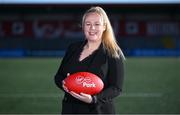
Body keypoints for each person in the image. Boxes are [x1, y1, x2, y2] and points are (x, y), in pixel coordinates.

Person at [54, 6, 125, 114]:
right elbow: (59, 76)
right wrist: (64, 83)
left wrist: (93, 99)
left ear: (104, 27)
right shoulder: (73, 48)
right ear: (83, 26)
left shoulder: (113, 52)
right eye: (88, 24)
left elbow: (116, 88)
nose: (92, 28)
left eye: (97, 24)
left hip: (98, 111)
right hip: (70, 109)